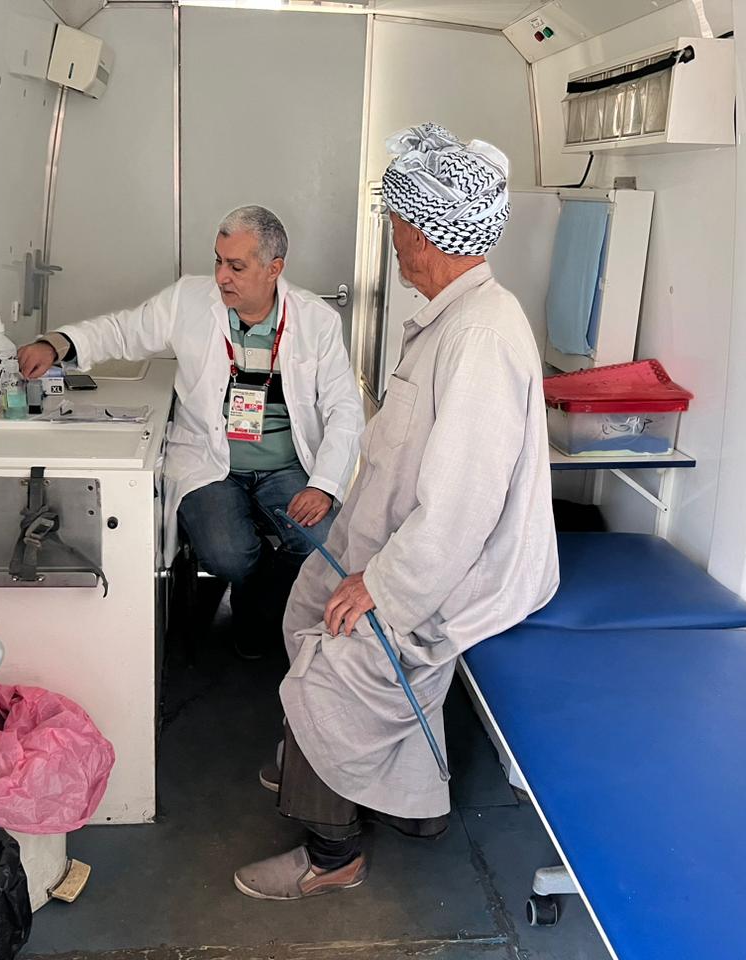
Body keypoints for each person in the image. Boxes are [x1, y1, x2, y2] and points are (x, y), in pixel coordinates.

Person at [232, 124, 560, 899]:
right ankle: (355, 776)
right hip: (408, 547)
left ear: (423, 234)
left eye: (395, 223)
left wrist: (382, 585)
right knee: (307, 602)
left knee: (336, 663)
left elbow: (463, 510)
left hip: (457, 572)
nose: (391, 238)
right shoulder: (453, 316)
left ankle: (332, 854)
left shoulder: (481, 338)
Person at [17, 206, 363, 659]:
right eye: (218, 260)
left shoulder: (316, 320)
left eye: (236, 266)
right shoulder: (189, 300)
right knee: (226, 555)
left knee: (324, 540)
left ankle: (258, 607)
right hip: (210, 461)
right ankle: (256, 597)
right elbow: (123, 331)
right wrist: (57, 344)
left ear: (273, 268)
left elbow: (344, 408)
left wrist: (324, 485)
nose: (221, 276)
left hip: (287, 465)